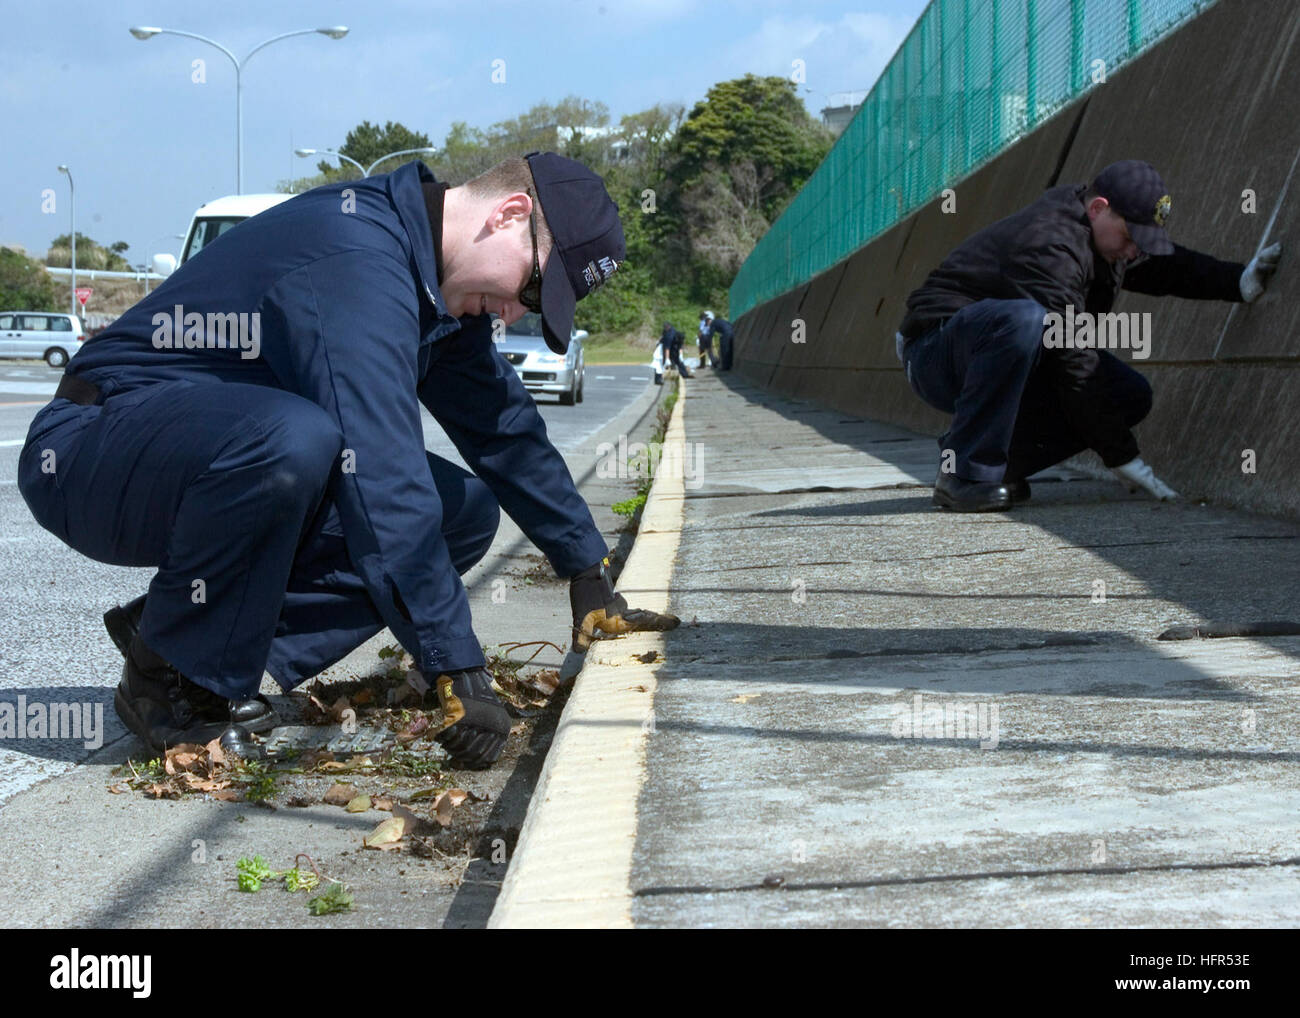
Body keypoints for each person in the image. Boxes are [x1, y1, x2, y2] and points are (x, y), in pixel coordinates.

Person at [18, 152, 677, 769]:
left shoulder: (430, 285)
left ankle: (181, 633)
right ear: (507, 214)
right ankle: (169, 681)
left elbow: (505, 431)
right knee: (299, 437)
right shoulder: (355, 258)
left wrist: (585, 567)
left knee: (464, 512)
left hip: (215, 457)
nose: (513, 312)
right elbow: (381, 473)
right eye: (531, 290)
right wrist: (458, 668)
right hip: (94, 448)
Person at [897, 159, 1283, 511]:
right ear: (1098, 208)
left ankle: (997, 465)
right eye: (1132, 238)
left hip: (1000, 349)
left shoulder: (1105, 237)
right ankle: (963, 473)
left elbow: (1168, 267)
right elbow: (1073, 359)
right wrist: (1121, 456)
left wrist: (1237, 281)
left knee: (1127, 395)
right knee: (1026, 320)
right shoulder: (1052, 246)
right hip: (933, 349)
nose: (1134, 252)